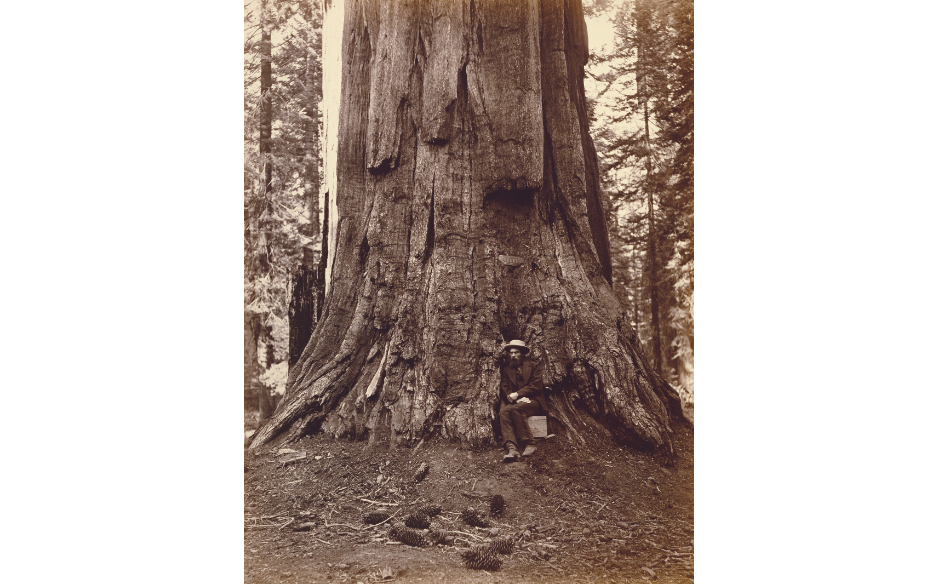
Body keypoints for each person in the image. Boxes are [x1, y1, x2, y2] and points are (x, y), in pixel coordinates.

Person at [497, 340, 547, 462]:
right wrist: (513, 397)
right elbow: (504, 387)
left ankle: (530, 443)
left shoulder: (534, 366)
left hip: (534, 401)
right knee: (504, 412)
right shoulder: (506, 369)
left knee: (516, 409)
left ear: (522, 353)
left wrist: (519, 394)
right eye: (511, 353)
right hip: (516, 402)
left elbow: (536, 386)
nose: (513, 355)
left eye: (516, 352)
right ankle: (512, 448)